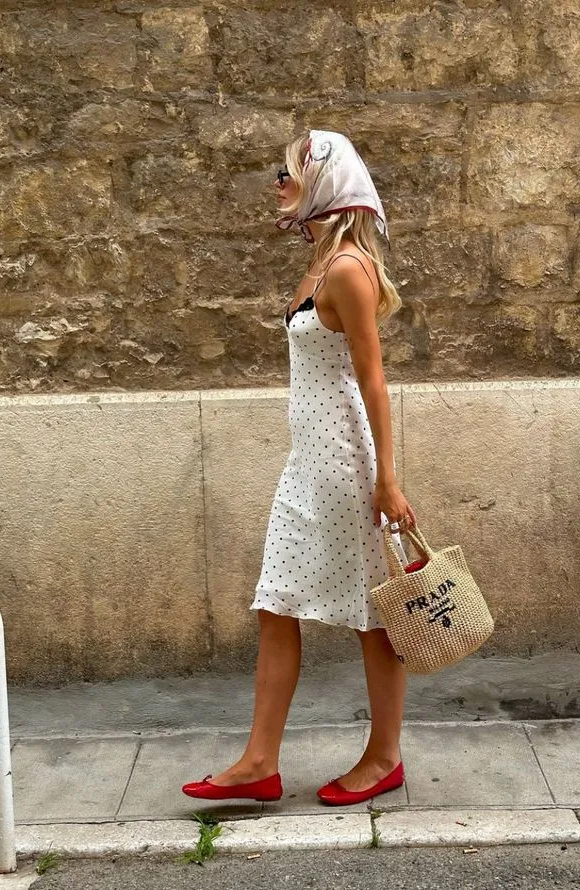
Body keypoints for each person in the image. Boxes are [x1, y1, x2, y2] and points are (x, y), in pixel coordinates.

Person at [183, 129, 417, 807]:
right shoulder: (319, 262)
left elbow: (373, 382)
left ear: (325, 181)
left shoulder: (347, 268)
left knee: (374, 616)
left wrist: (388, 479)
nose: (278, 183)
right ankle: (259, 761)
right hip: (305, 468)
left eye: (288, 173)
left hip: (345, 464)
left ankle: (384, 756)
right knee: (275, 603)